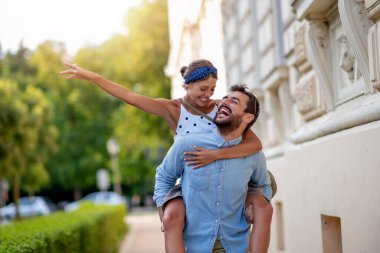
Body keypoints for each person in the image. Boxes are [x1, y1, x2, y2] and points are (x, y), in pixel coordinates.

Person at [60, 59, 273, 252]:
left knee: (260, 204)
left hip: (228, 173)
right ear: (188, 84)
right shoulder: (173, 109)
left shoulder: (221, 108)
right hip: (190, 179)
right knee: (172, 219)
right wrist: (93, 77)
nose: (208, 94)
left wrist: (215, 155)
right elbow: (130, 96)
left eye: (212, 89)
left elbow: (255, 144)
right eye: (203, 88)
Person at [154, 84, 272, 253]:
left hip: (236, 246)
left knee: (264, 205)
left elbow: (265, 186)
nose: (224, 102)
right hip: (194, 247)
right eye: (224, 98)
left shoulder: (254, 156)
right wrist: (164, 217)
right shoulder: (188, 144)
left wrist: (252, 209)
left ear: (247, 117)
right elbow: (163, 178)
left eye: (234, 101)